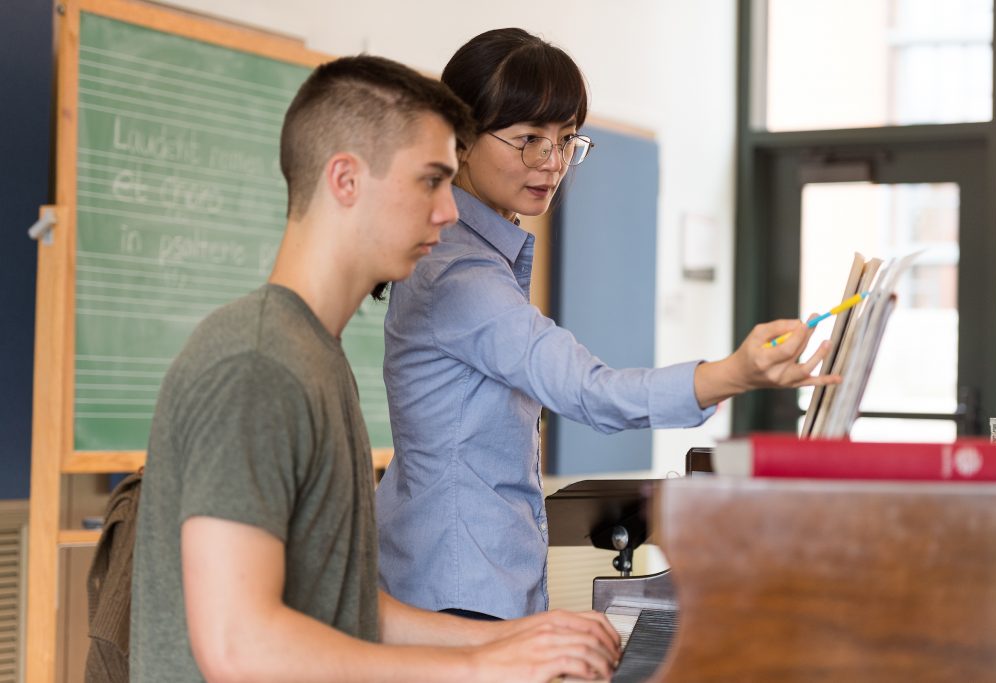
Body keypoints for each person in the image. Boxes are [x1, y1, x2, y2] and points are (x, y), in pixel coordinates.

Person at [130, 55, 620, 683]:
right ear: (345, 180)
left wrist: (514, 639)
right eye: (430, 181)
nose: (448, 212)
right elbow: (239, 647)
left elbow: (350, 612)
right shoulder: (257, 366)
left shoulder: (313, 354)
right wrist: (476, 667)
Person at [375, 28, 841, 620]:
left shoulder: (472, 253)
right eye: (528, 140)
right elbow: (587, 389)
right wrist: (733, 373)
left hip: (454, 575)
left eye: (567, 139)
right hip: (458, 592)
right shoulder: (460, 275)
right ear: (461, 139)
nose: (552, 163)